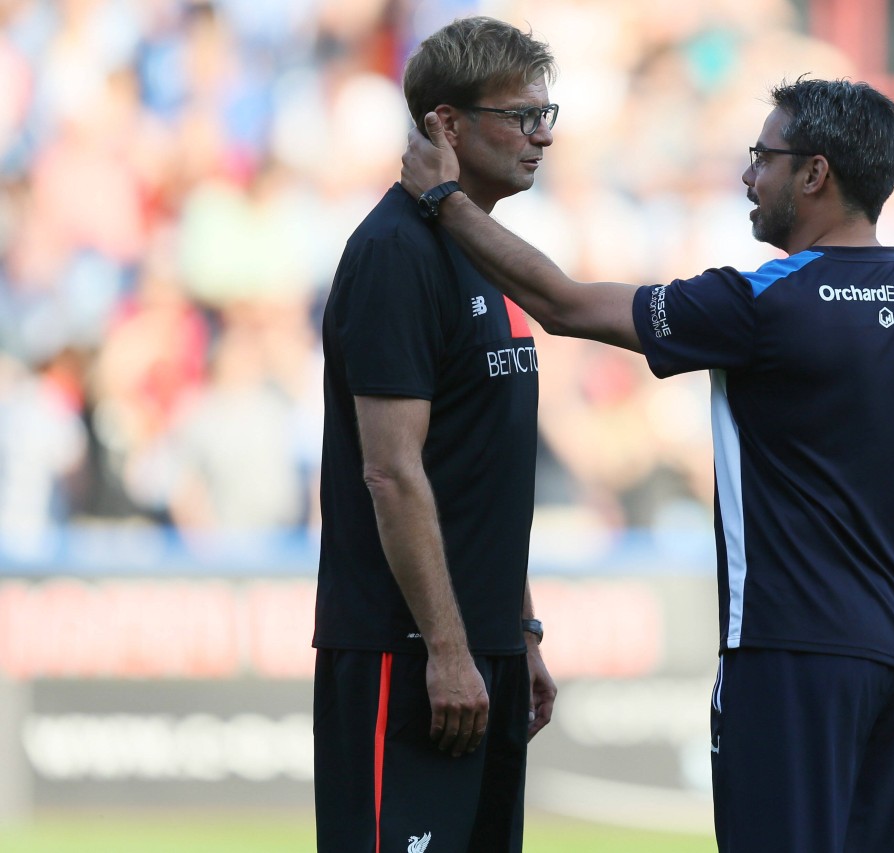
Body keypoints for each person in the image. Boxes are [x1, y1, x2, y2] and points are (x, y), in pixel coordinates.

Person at [401, 76, 894, 852]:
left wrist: (444, 201)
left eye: (762, 156)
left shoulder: (763, 305)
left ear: (815, 173)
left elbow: (562, 304)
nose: (747, 176)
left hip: (786, 658)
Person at [313, 17, 558, 853]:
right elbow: (392, 472)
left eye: (547, 114)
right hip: (410, 652)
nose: (543, 135)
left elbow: (482, 466)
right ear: (446, 125)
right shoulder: (394, 252)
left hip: (479, 648)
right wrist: (449, 650)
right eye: (522, 116)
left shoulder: (476, 243)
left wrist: (515, 631)